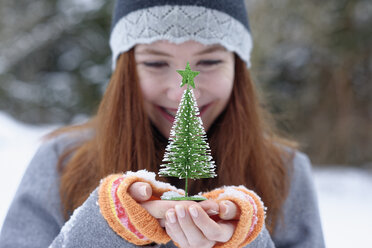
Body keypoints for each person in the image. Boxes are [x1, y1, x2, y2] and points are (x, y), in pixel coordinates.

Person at [0, 0, 325, 247]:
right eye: (155, 63)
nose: (184, 90)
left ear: (239, 70)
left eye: (210, 62)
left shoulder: (286, 170)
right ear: (124, 71)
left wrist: (247, 238)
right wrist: (107, 228)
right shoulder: (61, 160)